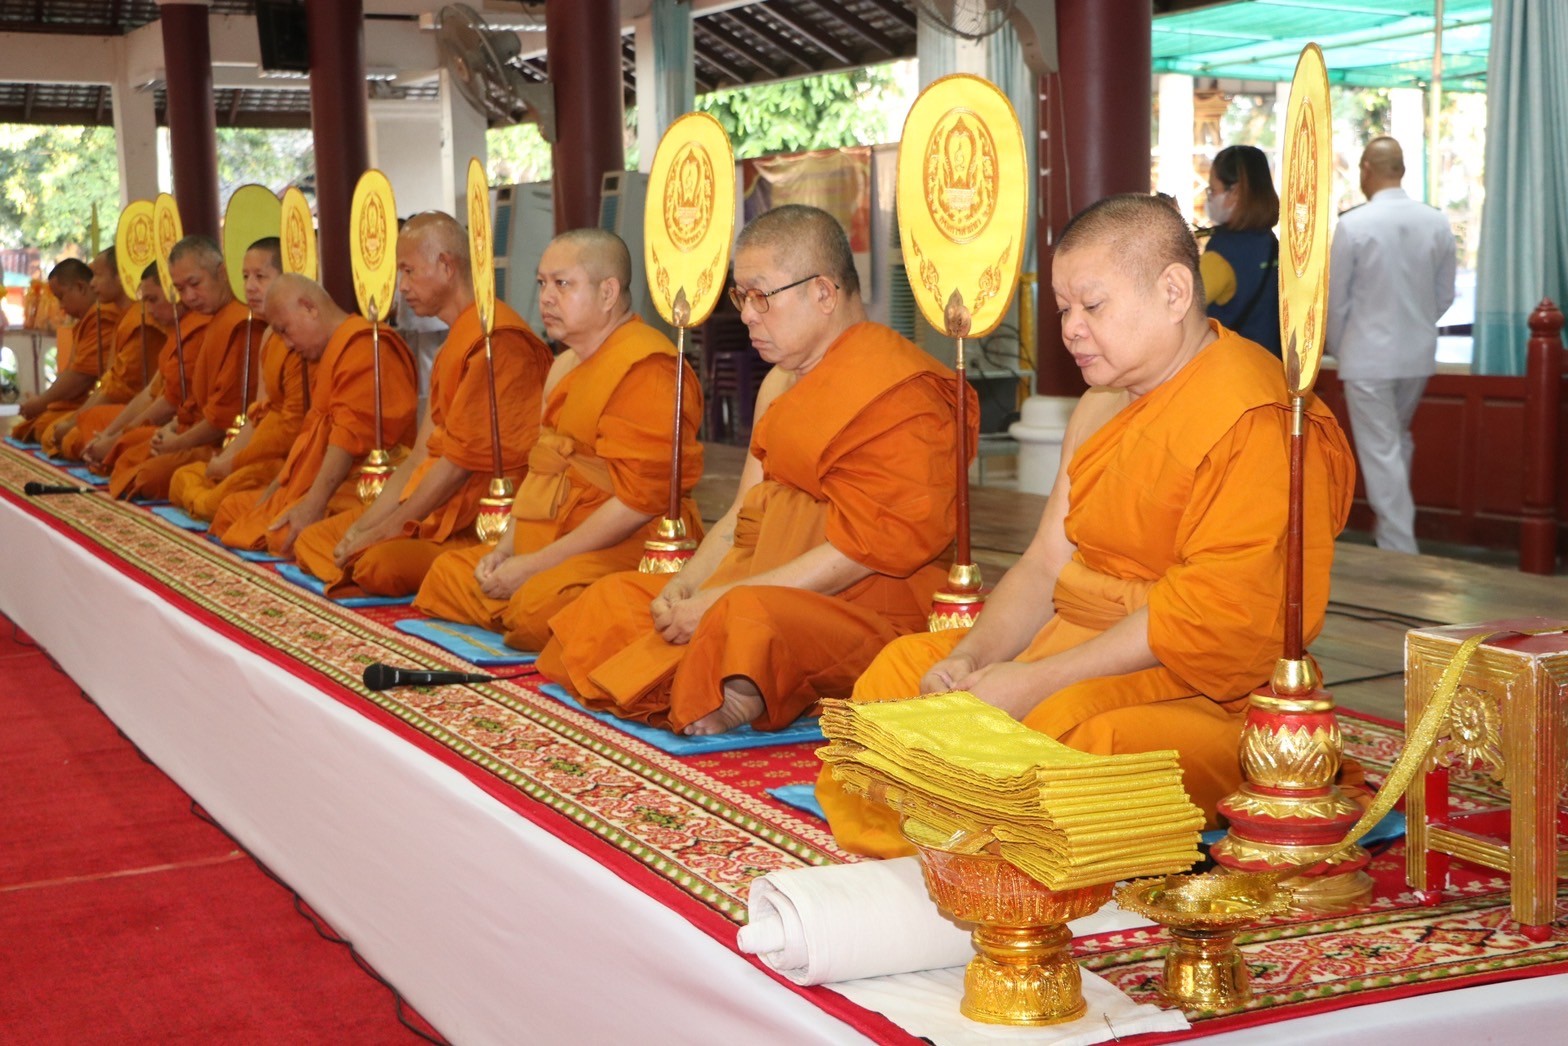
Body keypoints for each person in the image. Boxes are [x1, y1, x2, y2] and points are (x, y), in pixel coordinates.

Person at [816, 194, 1357, 857]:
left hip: (1199, 687)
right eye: (1064, 309)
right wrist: (975, 656)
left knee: (1066, 736)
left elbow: (1212, 616)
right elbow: (1047, 561)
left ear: (1173, 290)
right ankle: (947, 822)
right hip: (1069, 641)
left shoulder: (1252, 413)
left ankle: (964, 832)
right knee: (900, 675)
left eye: (1091, 306)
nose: (1071, 329)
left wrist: (1038, 681)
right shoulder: (1101, 406)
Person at [537, 204, 975, 736]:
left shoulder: (901, 390)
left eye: (762, 296)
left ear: (823, 292)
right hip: (758, 579)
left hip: (863, 605)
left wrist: (721, 600)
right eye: (741, 297)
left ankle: (739, 683)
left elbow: (869, 549)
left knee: (744, 621)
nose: (747, 315)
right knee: (614, 601)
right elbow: (746, 512)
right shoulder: (780, 383)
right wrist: (688, 584)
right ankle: (726, 672)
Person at [412, 228, 704, 651]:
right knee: (447, 574)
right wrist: (507, 549)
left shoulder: (648, 367)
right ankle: (542, 609)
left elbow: (640, 501)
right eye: (542, 283)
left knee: (535, 608)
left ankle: (544, 609)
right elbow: (542, 470)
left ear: (608, 292)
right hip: (552, 540)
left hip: (627, 543)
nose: (546, 297)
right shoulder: (563, 365)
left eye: (562, 284)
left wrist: (535, 565)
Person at [290, 212, 553, 596]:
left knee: (376, 563)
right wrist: (367, 526)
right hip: (427, 506)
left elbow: (458, 466)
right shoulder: (455, 345)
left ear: (446, 266)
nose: (403, 287)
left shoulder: (498, 344)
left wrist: (388, 529)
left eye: (409, 271)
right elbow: (418, 457)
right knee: (317, 540)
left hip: (475, 522)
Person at [211, 274, 418, 555]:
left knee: (286, 536)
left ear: (309, 307)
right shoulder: (332, 349)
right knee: (231, 509)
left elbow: (347, 439)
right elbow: (312, 436)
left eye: (285, 330)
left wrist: (312, 505)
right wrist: (276, 490)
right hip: (319, 481)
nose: (286, 344)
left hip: (360, 486)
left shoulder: (365, 346)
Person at [1326, 136, 1457, 555]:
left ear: (1366, 169)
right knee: (1397, 441)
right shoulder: (1435, 221)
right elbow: (1444, 294)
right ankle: (1393, 536)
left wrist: (1338, 346)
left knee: (1383, 448)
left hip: (1365, 356)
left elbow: (1337, 299)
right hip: (1417, 353)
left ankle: (1400, 547)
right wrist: (1415, 324)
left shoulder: (1353, 224)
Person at [104, 236, 257, 500]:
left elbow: (225, 416)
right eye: (180, 289)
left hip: (222, 443)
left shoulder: (243, 324)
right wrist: (173, 428)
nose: (188, 297)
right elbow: (190, 402)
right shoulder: (212, 319)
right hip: (194, 432)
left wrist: (178, 442)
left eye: (195, 284)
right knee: (128, 458)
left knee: (147, 475)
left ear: (221, 272)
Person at [167, 238, 305, 521]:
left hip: (287, 461)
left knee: (222, 503)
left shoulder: (303, 339)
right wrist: (228, 459)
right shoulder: (268, 335)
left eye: (261, 277)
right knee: (183, 477)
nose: (250, 286)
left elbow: (291, 429)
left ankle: (213, 500)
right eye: (245, 277)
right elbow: (258, 414)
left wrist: (233, 461)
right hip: (257, 451)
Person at [81, 264, 215, 476]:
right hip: (170, 426)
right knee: (92, 420)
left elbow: (171, 403)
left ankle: (111, 453)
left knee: (144, 471)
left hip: (190, 430)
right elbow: (150, 392)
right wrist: (108, 435)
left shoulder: (201, 328)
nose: (149, 310)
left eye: (153, 300)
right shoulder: (179, 330)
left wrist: (116, 440)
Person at [49, 248, 165, 459]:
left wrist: (78, 423)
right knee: (61, 430)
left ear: (121, 277)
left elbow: (120, 389)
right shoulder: (126, 318)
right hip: (129, 411)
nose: (92, 283)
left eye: (98, 275)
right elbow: (111, 382)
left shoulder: (143, 321)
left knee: (73, 436)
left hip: (147, 416)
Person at [10, 257, 120, 443]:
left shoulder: (105, 316)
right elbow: (76, 371)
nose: (61, 307)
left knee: (63, 433)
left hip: (119, 405)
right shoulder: (91, 320)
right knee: (46, 423)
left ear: (80, 287)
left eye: (61, 297)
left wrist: (41, 402)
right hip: (100, 403)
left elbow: (80, 377)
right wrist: (46, 403)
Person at [1201, 144, 1281, 355]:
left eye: (1213, 190)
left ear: (1234, 193)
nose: (1209, 197)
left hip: (1232, 372)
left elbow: (1179, 306)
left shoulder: (1221, 254)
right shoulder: (1273, 244)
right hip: (1272, 371)